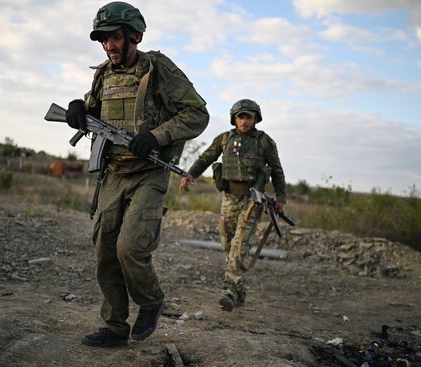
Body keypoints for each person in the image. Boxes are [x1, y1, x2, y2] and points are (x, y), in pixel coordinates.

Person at [65, 1, 209, 347]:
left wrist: (155, 136)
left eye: (114, 38)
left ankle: (151, 301)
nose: (109, 46)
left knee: (130, 248)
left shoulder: (157, 69)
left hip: (148, 173)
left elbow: (197, 114)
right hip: (112, 173)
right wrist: (79, 108)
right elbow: (93, 107)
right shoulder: (103, 74)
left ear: (134, 36)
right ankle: (115, 327)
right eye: (103, 40)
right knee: (105, 251)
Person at [179, 99, 286, 311]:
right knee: (228, 242)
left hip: (252, 199)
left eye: (248, 117)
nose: (244, 121)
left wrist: (281, 197)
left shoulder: (264, 142)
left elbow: (277, 170)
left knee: (239, 244)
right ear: (234, 118)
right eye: (240, 117)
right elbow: (206, 157)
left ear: (255, 119)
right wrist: (190, 174)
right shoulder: (225, 139)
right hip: (229, 197)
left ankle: (229, 289)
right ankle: (239, 290)